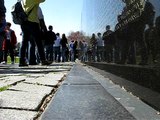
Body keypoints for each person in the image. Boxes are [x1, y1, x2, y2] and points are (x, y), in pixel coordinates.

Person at [19, 0, 52, 66]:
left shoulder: (23, 0)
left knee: (24, 42)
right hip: (33, 22)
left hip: (24, 22)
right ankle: (43, 60)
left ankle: (21, 61)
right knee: (38, 42)